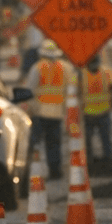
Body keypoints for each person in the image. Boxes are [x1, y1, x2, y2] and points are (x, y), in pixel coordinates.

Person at [25, 39, 68, 179]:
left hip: (40, 112)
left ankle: (32, 172)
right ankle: (55, 172)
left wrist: (29, 108)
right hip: (57, 113)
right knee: (54, 144)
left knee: (34, 144)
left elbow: (29, 90)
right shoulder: (64, 68)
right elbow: (70, 89)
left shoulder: (37, 68)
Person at [81, 51, 112, 174]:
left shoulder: (82, 74)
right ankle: (107, 160)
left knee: (90, 140)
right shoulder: (106, 72)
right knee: (105, 139)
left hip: (90, 113)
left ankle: (90, 162)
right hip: (101, 112)